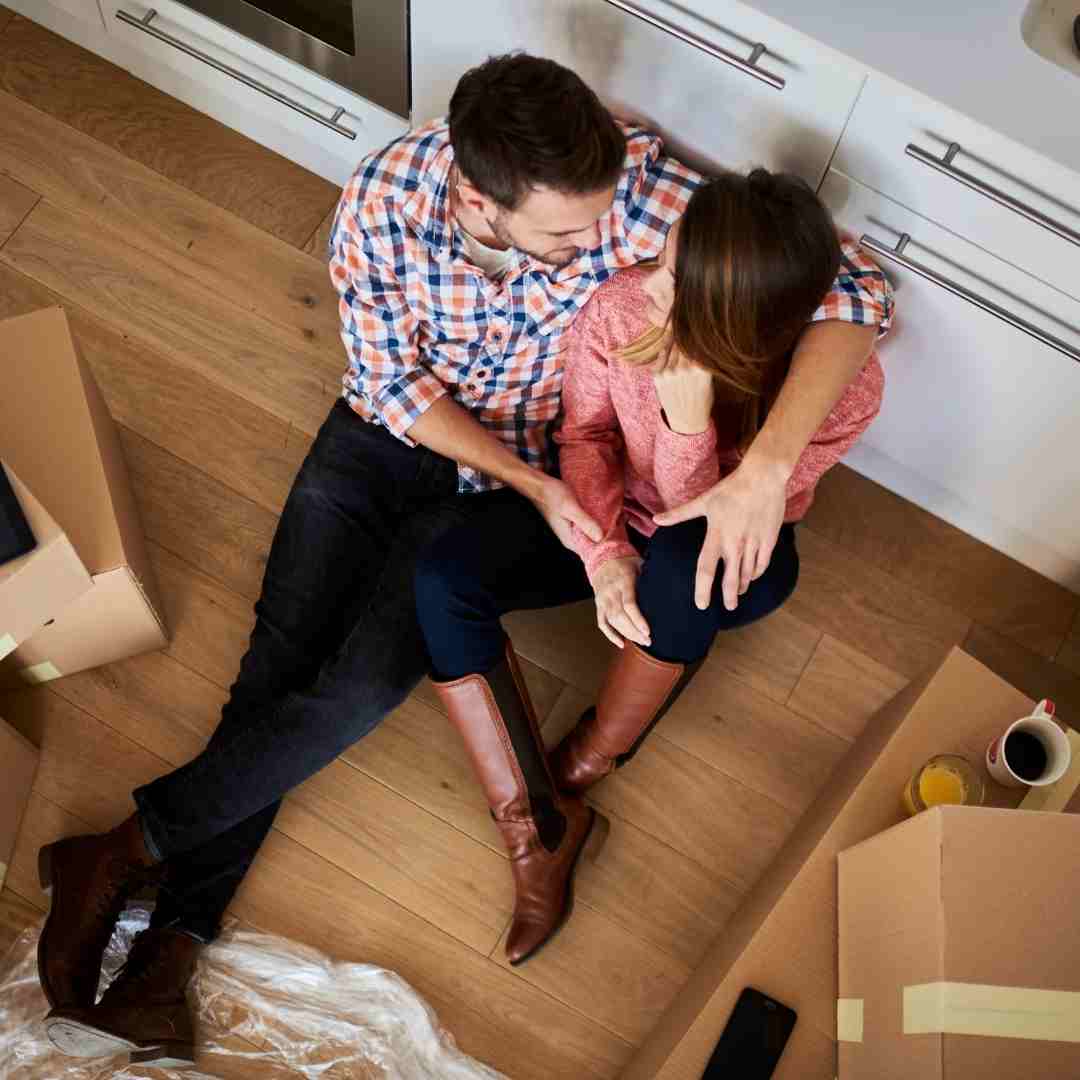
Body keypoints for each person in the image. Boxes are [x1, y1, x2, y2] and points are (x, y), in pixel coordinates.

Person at [35, 54, 890, 1065]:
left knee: (354, 688)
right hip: (400, 439)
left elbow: (854, 284)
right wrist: (546, 494)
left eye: (603, 222)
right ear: (479, 197)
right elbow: (393, 388)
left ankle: (126, 857)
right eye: (571, 234)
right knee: (275, 666)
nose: (602, 244)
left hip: (524, 471)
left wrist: (767, 465)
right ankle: (171, 942)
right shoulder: (384, 200)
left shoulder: (624, 194)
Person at [413, 168, 892, 960]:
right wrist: (602, 556)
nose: (651, 288)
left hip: (725, 541)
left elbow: (700, 512)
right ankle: (540, 829)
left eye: (674, 281)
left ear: (738, 322)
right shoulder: (621, 305)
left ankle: (594, 753)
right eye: (666, 262)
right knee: (443, 576)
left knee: (679, 564)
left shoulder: (845, 392)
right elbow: (585, 438)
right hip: (611, 517)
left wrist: (686, 417)